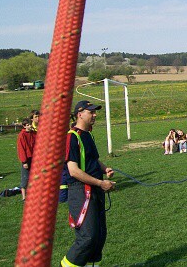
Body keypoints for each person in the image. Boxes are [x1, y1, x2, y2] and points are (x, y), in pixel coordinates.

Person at [61, 100, 115, 267]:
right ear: (80, 114)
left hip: (95, 190)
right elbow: (73, 170)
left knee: (99, 235)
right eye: (91, 112)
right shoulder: (72, 137)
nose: (95, 115)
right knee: (88, 236)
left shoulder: (88, 135)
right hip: (80, 191)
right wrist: (100, 183)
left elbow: (93, 159)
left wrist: (105, 169)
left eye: (95, 111)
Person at [16, 117, 36, 201]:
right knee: (25, 177)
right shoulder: (22, 135)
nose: (29, 126)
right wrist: (24, 161)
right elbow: (21, 149)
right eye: (27, 125)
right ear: (24, 126)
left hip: (34, 158)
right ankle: (24, 197)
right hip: (27, 159)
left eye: (30, 124)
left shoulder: (34, 133)